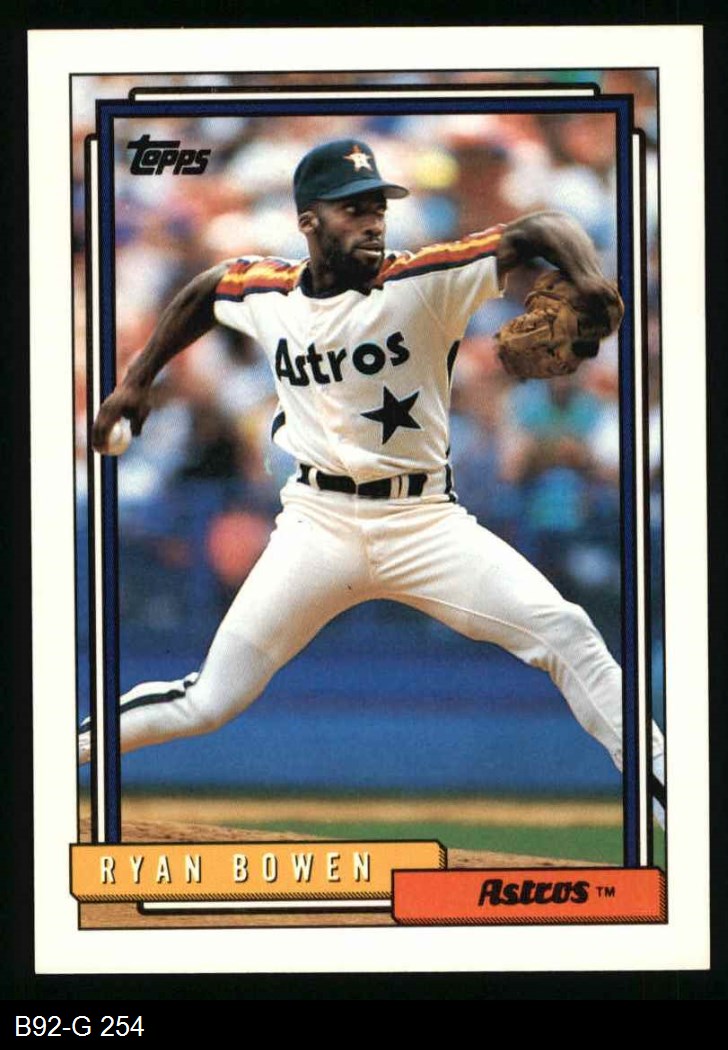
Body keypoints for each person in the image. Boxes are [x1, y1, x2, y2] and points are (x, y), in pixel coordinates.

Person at [80, 138, 665, 826]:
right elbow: (208, 290)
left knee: (567, 632)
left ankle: (670, 798)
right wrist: (135, 381)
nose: (372, 221)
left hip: (425, 525)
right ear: (309, 221)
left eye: (378, 208)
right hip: (316, 528)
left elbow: (541, 228)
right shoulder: (269, 291)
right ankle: (60, 755)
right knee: (208, 702)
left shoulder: (424, 280)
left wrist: (588, 275)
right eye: (352, 209)